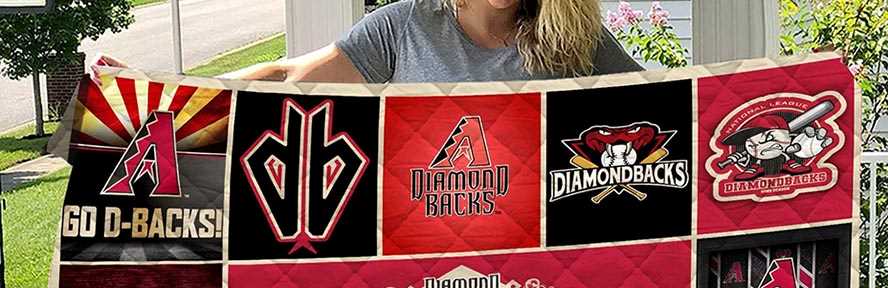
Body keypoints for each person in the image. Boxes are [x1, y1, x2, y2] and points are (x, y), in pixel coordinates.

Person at [230, 0, 640, 84]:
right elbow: (290, 76)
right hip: (426, 246)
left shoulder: (575, 36)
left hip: (538, 248)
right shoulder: (404, 24)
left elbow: (667, 101)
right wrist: (179, 102)